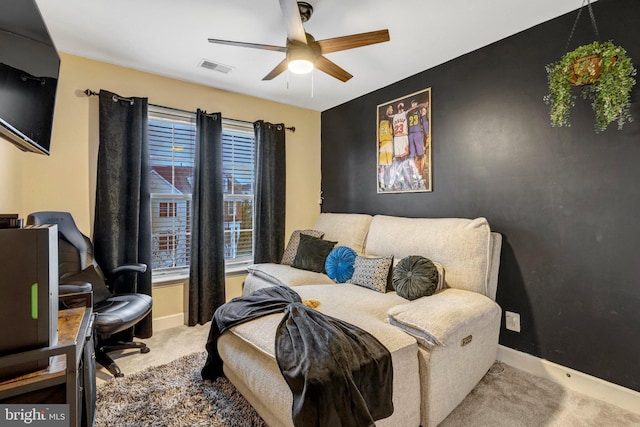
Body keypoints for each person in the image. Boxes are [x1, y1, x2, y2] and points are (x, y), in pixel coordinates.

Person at [407, 99, 429, 177]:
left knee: (420, 154)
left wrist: (427, 133)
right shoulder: (409, 113)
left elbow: (424, 121)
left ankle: (420, 173)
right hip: (412, 134)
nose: (414, 105)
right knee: (413, 155)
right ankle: (415, 172)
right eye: (413, 104)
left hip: (417, 133)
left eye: (415, 104)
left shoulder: (417, 111)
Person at [378, 105, 394, 191]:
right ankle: (390, 183)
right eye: (390, 108)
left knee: (383, 166)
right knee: (390, 165)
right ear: (387, 110)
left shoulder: (380, 122)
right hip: (388, 142)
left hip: (382, 144)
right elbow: (391, 131)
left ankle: (382, 183)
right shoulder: (389, 120)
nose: (392, 110)